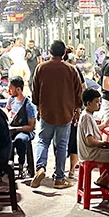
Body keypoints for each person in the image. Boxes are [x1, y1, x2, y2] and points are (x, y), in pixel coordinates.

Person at [30, 39, 84, 190]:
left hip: (46, 112)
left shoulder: (41, 68)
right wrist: (77, 109)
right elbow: (78, 91)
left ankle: (40, 168)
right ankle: (59, 178)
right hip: (65, 113)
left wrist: (39, 108)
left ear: (50, 52)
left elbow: (35, 91)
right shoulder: (71, 70)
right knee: (61, 145)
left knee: (43, 141)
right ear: (64, 53)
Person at [5, 77, 36, 173]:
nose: (9, 91)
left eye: (11, 89)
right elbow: (8, 111)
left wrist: (16, 129)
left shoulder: (29, 105)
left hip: (25, 130)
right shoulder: (11, 100)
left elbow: (31, 127)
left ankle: (22, 165)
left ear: (18, 89)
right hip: (13, 128)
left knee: (19, 140)